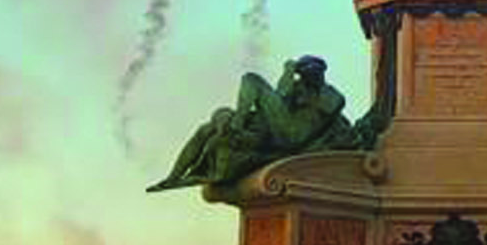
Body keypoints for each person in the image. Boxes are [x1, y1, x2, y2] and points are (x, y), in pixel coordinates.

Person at [147, 55, 355, 192]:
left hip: (294, 135)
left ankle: (236, 124)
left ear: (321, 70)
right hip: (280, 129)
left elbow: (305, 114)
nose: (306, 74)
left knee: (252, 80)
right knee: (206, 129)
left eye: (311, 69)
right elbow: (281, 97)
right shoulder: (298, 86)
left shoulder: (334, 96)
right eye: (302, 71)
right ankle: (173, 177)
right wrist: (287, 74)